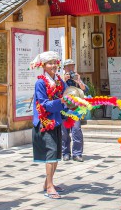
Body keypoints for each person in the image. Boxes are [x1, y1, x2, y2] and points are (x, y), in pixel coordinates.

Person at [31, 51, 67, 199]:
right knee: (51, 152)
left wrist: (73, 102)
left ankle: (48, 182)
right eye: (49, 63)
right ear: (43, 66)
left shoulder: (59, 80)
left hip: (57, 120)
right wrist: (63, 103)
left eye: (55, 62)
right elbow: (44, 104)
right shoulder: (40, 82)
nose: (53, 65)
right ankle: (50, 187)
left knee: (56, 153)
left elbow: (66, 95)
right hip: (45, 121)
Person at [61, 59, 87, 162]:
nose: (70, 68)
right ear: (64, 68)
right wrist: (64, 80)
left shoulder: (77, 78)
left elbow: (85, 89)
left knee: (76, 130)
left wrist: (79, 81)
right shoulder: (60, 79)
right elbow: (56, 91)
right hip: (64, 109)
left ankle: (77, 153)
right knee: (64, 133)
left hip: (75, 109)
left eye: (72, 66)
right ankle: (65, 153)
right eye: (68, 67)